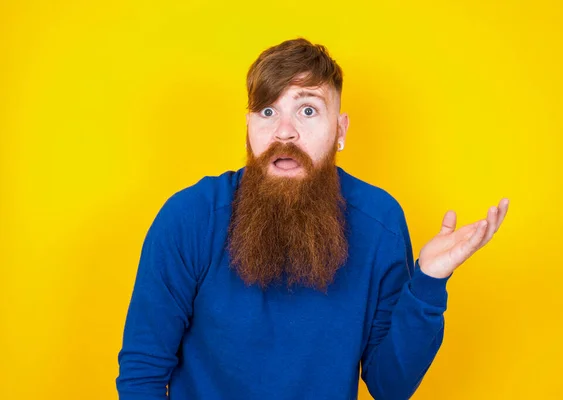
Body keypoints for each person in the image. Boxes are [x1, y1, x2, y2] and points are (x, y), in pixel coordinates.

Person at [116, 37, 509, 400]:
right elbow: (142, 372)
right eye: (268, 110)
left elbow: (391, 386)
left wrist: (428, 282)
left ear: (340, 130)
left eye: (308, 110)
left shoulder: (379, 222)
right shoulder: (190, 217)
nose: (284, 132)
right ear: (248, 126)